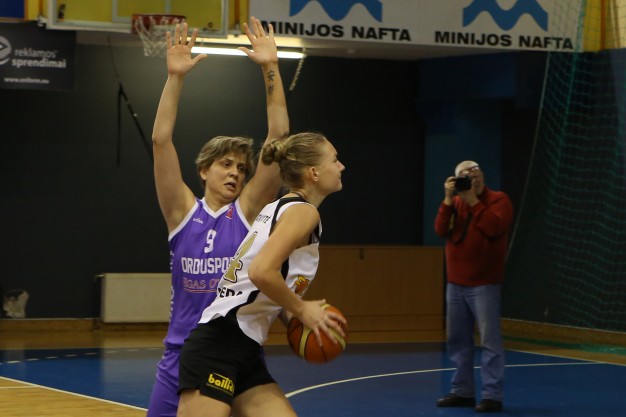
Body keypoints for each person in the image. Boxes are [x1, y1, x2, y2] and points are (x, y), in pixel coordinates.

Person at [147, 18, 289, 417]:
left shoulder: (246, 212)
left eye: (242, 168)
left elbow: (278, 139)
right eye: (226, 164)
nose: (235, 174)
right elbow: (160, 140)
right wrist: (175, 77)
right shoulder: (181, 212)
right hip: (181, 355)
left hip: (231, 352)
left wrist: (270, 68)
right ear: (204, 170)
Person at [176, 133, 346, 417]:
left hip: (245, 348)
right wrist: (302, 309)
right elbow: (260, 272)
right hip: (219, 343)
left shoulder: (279, 208)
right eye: (335, 160)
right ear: (314, 173)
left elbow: (261, 285)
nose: (341, 166)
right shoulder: (303, 213)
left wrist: (297, 319)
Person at [434, 161, 514, 413]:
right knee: (457, 341)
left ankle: (492, 395)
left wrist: (473, 201)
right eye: (467, 177)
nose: (473, 180)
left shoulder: (499, 200)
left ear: (484, 178)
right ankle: (462, 391)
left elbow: (493, 227)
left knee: (490, 341)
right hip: (455, 284)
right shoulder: (455, 203)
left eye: (477, 175)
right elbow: (440, 229)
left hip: (485, 284)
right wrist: (448, 200)